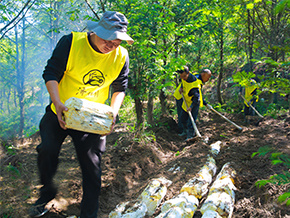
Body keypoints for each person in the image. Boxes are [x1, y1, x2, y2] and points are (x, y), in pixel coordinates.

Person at [29, 11, 134, 218]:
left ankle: (89, 214)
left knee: (92, 166)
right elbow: (50, 73)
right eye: (107, 39)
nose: (111, 46)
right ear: (96, 31)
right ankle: (46, 193)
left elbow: (120, 87)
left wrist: (113, 112)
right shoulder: (71, 43)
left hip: (92, 118)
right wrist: (57, 103)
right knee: (47, 151)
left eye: (116, 42)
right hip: (60, 110)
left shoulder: (121, 55)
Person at [177, 67, 212, 141]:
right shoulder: (184, 77)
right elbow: (183, 83)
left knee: (191, 120)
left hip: (194, 103)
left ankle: (190, 136)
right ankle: (185, 132)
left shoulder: (195, 84)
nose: (182, 78)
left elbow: (197, 98)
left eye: (184, 76)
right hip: (187, 100)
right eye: (181, 76)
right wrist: (181, 88)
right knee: (182, 118)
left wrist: (191, 107)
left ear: (188, 73)